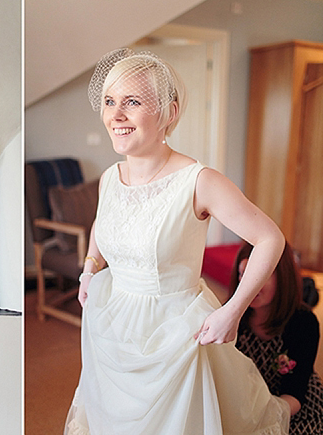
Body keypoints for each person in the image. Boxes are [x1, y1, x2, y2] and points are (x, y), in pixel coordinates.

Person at [64, 48, 291, 434]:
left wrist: (232, 311)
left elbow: (270, 238)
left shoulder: (199, 181)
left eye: (132, 102)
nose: (115, 115)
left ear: (168, 113)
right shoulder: (109, 177)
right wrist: (89, 268)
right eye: (109, 101)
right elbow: (104, 225)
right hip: (111, 322)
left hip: (175, 333)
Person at [230, 242, 323, 434]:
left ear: (282, 277)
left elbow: (295, 391)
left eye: (260, 275)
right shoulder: (231, 317)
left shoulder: (303, 322)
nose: (249, 283)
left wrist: (264, 418)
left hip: (293, 407)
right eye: (243, 274)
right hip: (244, 409)